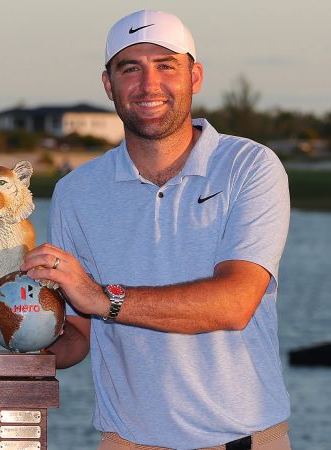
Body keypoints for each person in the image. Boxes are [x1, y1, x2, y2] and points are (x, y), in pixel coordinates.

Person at [21, 9, 291, 450]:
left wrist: (101, 298)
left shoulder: (249, 166)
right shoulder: (77, 192)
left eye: (166, 66)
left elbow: (235, 302)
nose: (149, 85)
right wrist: (12, 335)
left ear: (195, 76)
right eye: (130, 68)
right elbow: (76, 335)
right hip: (128, 441)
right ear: (109, 85)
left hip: (243, 439)